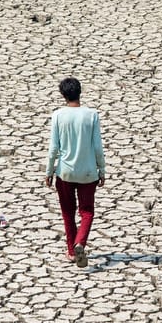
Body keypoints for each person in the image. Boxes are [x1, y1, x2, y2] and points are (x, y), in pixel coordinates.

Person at [45, 77, 105, 268]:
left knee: (67, 212)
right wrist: (101, 169)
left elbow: (54, 148)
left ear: (63, 95)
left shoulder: (58, 115)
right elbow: (97, 147)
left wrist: (49, 171)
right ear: (80, 92)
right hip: (88, 173)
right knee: (87, 212)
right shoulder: (92, 115)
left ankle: (72, 251)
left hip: (65, 173)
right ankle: (80, 242)